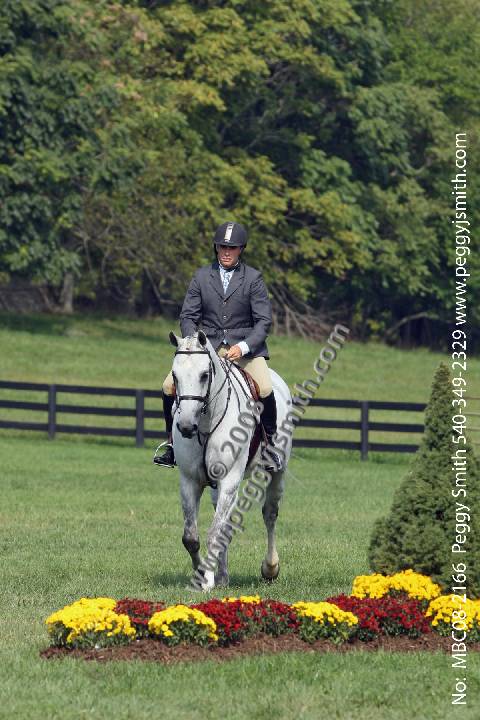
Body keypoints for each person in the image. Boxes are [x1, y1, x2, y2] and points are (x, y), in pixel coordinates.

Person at [155, 220, 282, 471]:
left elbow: (263, 322)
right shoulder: (201, 276)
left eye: (231, 248)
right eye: (222, 246)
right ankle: (171, 444)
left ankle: (270, 447)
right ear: (216, 247)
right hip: (207, 347)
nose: (226, 251)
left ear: (241, 249)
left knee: (266, 388)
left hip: (243, 349)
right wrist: (193, 344)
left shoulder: (253, 278)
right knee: (168, 385)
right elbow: (188, 316)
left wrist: (244, 347)